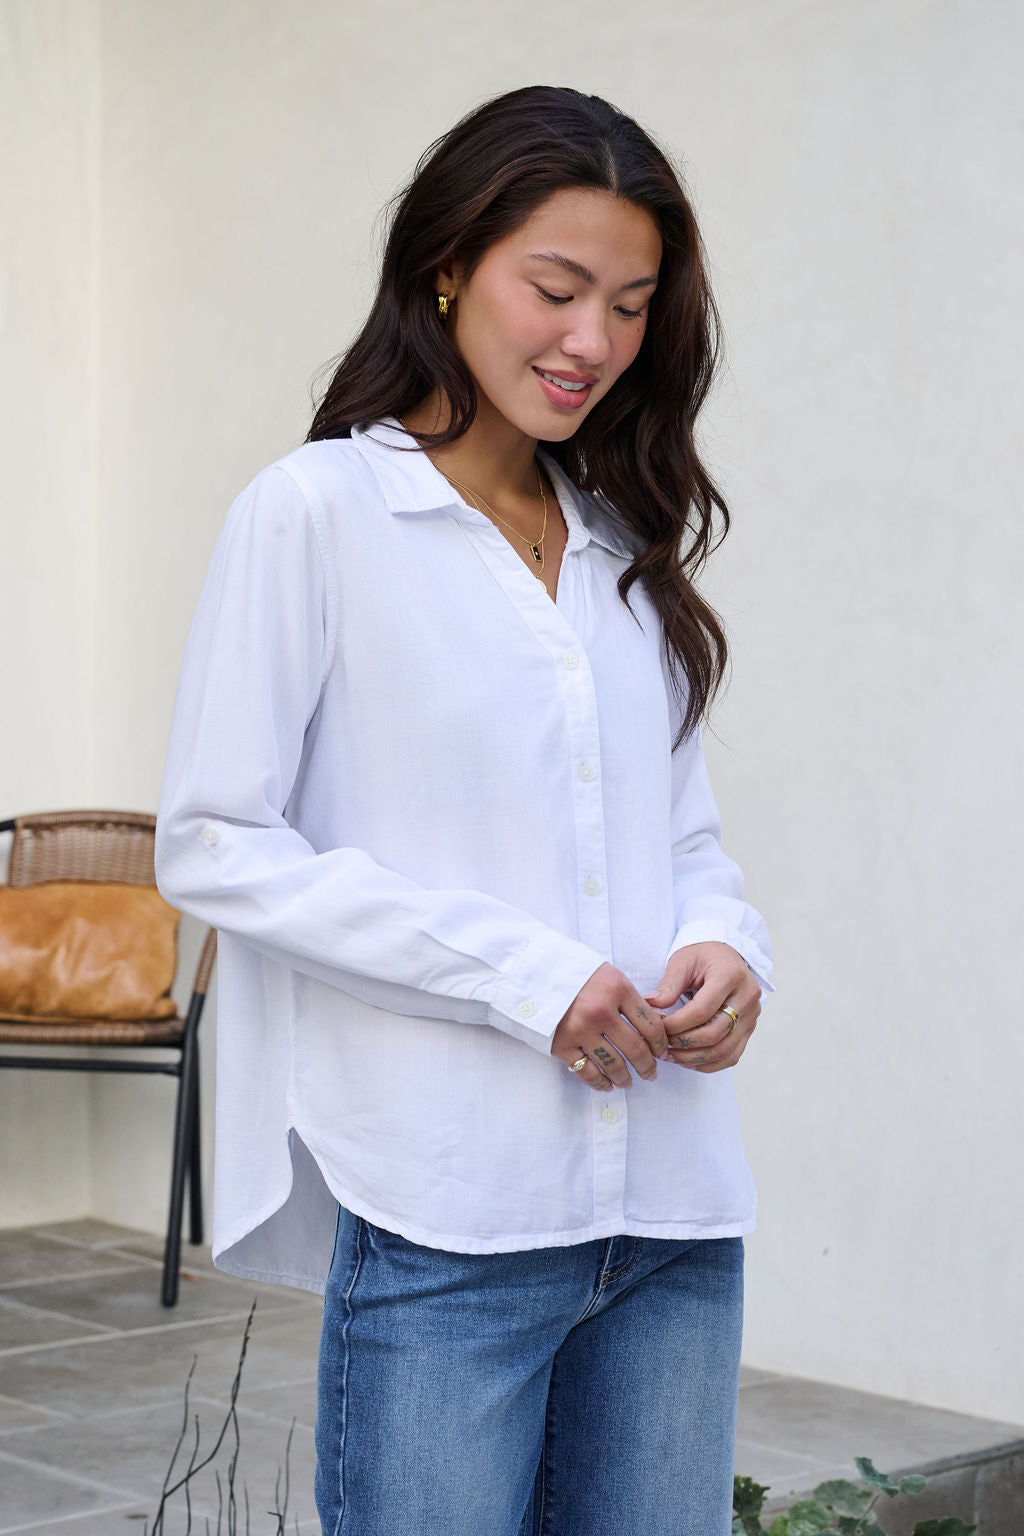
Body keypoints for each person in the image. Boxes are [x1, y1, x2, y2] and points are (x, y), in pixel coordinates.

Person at [155, 83, 774, 1536]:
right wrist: (527, 980)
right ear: (447, 265)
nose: (593, 343)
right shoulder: (316, 514)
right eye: (556, 290)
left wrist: (732, 946)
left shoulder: (623, 547)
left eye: (630, 306)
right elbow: (216, 842)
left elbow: (683, 837)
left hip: (674, 1215)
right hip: (453, 1213)